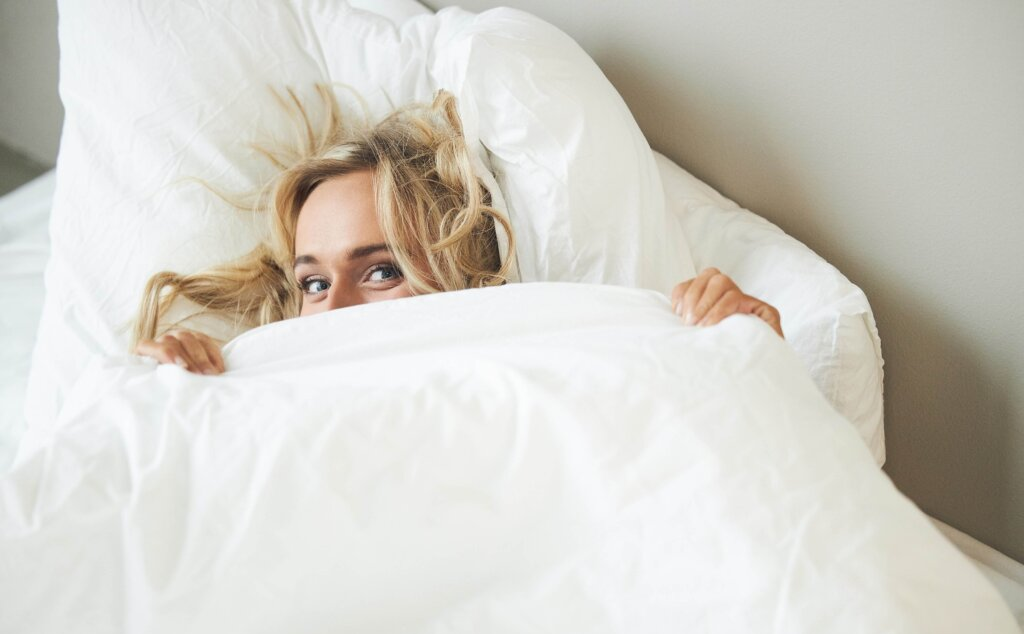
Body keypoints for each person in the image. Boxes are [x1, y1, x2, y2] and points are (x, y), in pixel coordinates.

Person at [134, 88, 781, 375]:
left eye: (382, 271)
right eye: (313, 281)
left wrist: (749, 353)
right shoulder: (246, 387)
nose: (333, 311)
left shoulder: (551, 372)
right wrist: (171, 389)